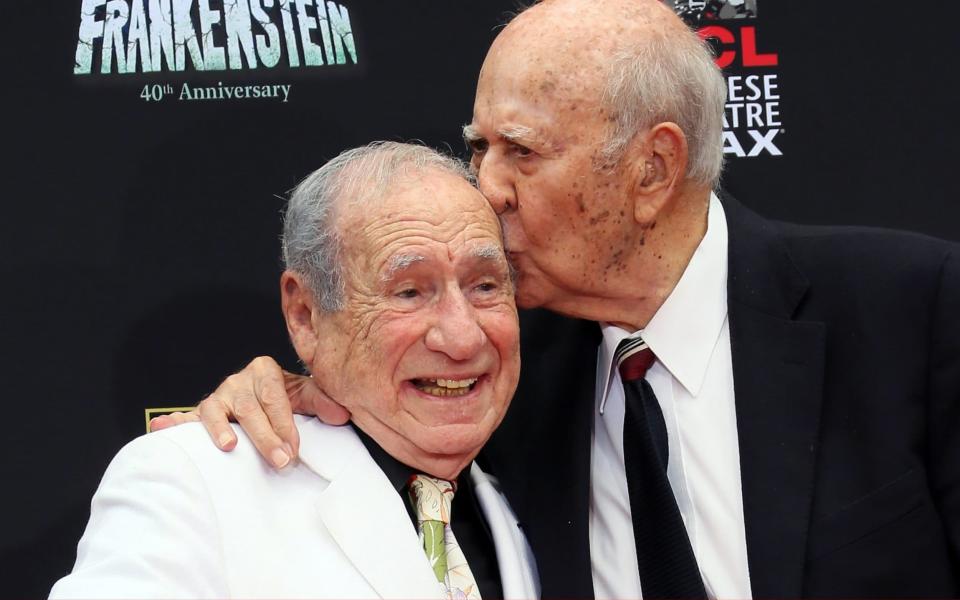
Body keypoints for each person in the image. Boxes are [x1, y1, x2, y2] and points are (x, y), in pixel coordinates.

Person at [155, 0, 960, 597]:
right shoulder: (491, 368)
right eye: (478, 147)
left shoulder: (909, 312)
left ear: (652, 170)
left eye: (521, 152)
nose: (485, 188)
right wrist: (289, 384)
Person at [51, 143, 538, 599]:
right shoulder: (191, 482)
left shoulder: (550, 489)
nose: (463, 336)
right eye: (409, 292)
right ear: (305, 315)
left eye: (485, 285)